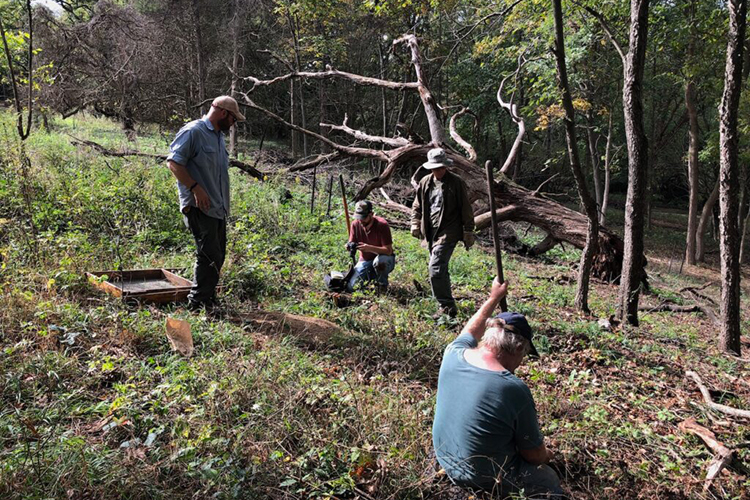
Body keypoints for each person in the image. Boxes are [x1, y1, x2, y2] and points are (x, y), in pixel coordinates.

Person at [432, 278, 565, 498]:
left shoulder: (453, 353)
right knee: (547, 477)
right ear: (519, 347)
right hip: (481, 476)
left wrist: (494, 298)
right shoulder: (512, 389)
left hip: (445, 457)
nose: (522, 361)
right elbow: (533, 455)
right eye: (524, 355)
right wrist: (548, 455)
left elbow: (470, 330)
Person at [166, 95, 246, 311]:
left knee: (217, 255)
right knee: (208, 255)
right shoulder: (194, 132)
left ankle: (207, 298)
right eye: (233, 119)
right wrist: (195, 188)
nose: (233, 123)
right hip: (199, 207)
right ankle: (198, 303)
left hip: (217, 207)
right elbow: (174, 163)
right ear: (222, 112)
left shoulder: (218, 137)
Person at [411, 147, 475, 317]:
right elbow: (417, 205)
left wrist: (468, 230)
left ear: (446, 166)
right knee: (441, 268)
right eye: (434, 168)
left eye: (440, 167)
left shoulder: (456, 183)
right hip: (430, 231)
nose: (437, 171)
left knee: (436, 268)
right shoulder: (425, 182)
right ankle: (448, 305)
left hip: (449, 231)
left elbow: (466, 209)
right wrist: (415, 223)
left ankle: (446, 308)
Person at [346, 200, 396, 293]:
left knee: (380, 262)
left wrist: (369, 248)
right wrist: (349, 246)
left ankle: (382, 286)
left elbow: (388, 251)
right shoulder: (355, 224)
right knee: (352, 287)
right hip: (365, 260)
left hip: (383, 258)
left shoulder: (382, 225)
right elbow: (352, 241)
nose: (360, 220)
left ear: (371, 214)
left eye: (363, 218)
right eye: (358, 217)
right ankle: (369, 280)